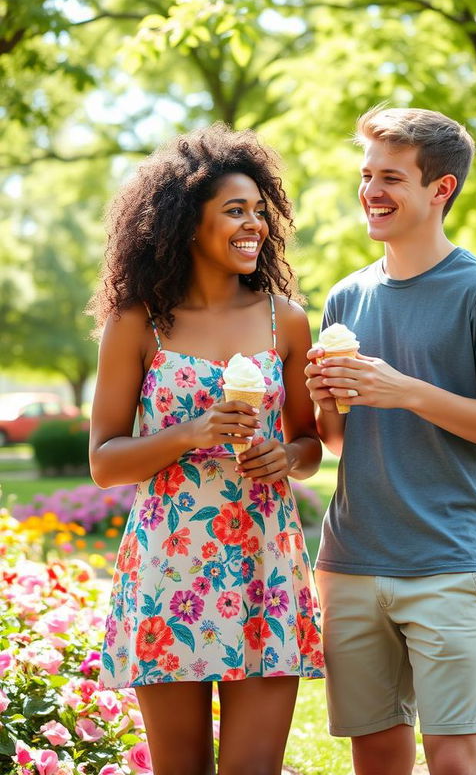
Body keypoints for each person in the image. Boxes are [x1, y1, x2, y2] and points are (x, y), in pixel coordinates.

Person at [305, 105, 476, 775]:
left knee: (455, 757)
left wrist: (406, 390)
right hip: (351, 561)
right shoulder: (346, 298)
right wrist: (327, 403)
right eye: (366, 174)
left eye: (391, 178)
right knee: (377, 756)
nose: (370, 192)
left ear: (441, 189)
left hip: (446, 559)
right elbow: (340, 443)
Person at [89, 124, 324, 775]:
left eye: (259, 212)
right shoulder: (138, 322)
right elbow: (105, 461)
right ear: (186, 222)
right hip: (170, 571)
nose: (255, 225)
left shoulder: (288, 319)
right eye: (235, 211)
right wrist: (190, 434)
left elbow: (309, 443)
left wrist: (290, 457)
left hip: (264, 565)